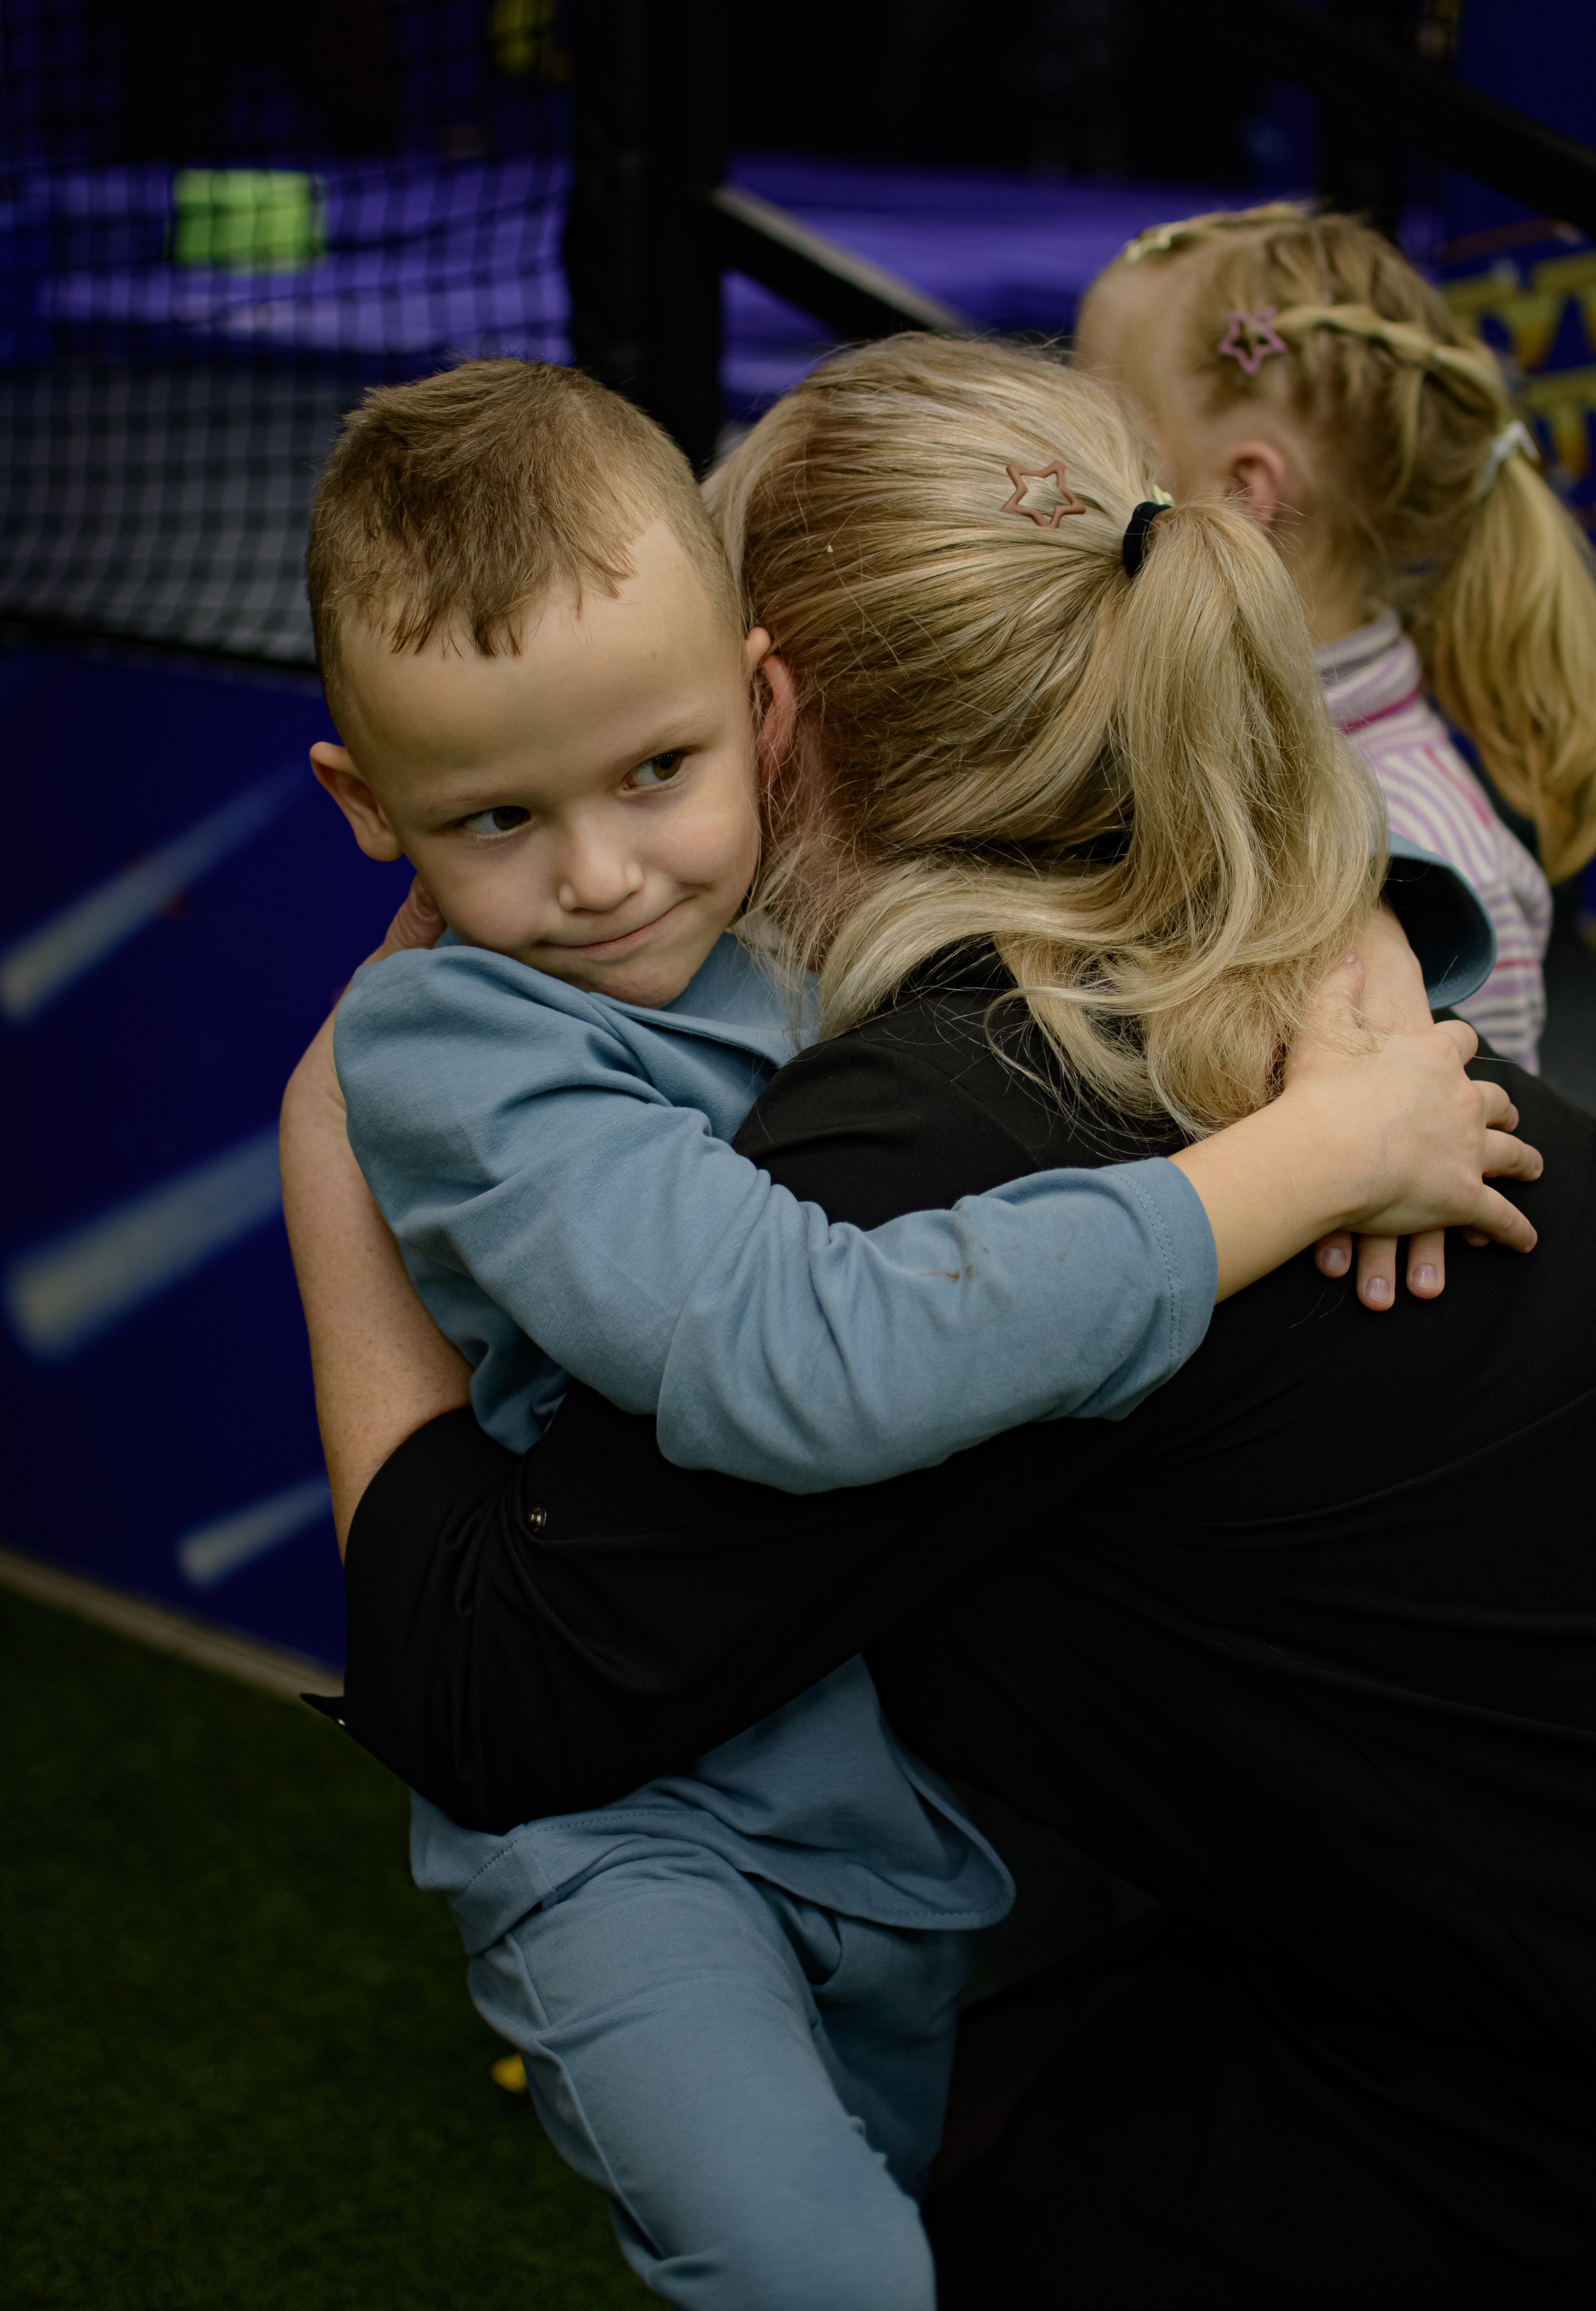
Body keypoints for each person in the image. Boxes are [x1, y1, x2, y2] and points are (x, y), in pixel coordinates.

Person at [281, 339, 1569, 2306]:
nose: (598, 867)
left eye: (666, 753)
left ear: (777, 717)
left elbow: (489, 1691)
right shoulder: (1277, 971)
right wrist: (1362, 941)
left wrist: (323, 1134)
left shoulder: (949, 1114)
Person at [1074, 200, 1596, 1073]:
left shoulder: (1436, 864)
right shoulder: (1154, 723)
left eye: (1098, 432)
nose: (1064, 466)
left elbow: (1474, 1165)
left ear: (1242, 492)